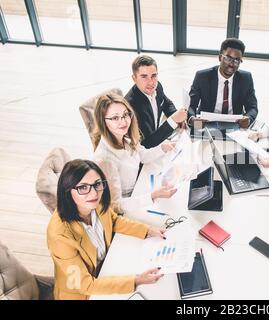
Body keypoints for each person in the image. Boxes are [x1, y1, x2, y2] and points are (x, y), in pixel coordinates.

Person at [47, 159, 166, 299]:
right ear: (67, 191)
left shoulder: (95, 202)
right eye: (83, 187)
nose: (93, 194)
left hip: (107, 268)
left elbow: (113, 221)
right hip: (83, 293)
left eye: (97, 184)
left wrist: (147, 230)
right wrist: (136, 280)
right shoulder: (60, 235)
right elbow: (85, 285)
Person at [93, 93, 177, 213]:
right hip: (128, 210)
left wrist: (164, 147)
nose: (123, 121)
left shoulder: (124, 137)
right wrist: (152, 196)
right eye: (115, 118)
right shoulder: (104, 159)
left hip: (139, 192)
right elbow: (115, 205)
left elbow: (142, 156)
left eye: (125, 114)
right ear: (103, 122)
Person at [187, 38, 258, 129]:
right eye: (228, 58)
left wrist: (248, 119)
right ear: (220, 57)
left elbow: (253, 107)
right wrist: (193, 119)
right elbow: (191, 105)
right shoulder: (202, 77)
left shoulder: (246, 78)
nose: (232, 64)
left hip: (235, 124)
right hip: (205, 123)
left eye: (237, 60)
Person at [125, 55, 188, 148]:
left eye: (154, 75)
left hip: (158, 139)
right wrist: (173, 121)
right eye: (144, 77)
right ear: (134, 78)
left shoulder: (157, 86)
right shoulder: (131, 106)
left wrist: (177, 117)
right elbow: (146, 144)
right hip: (142, 154)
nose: (151, 82)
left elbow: (166, 103)